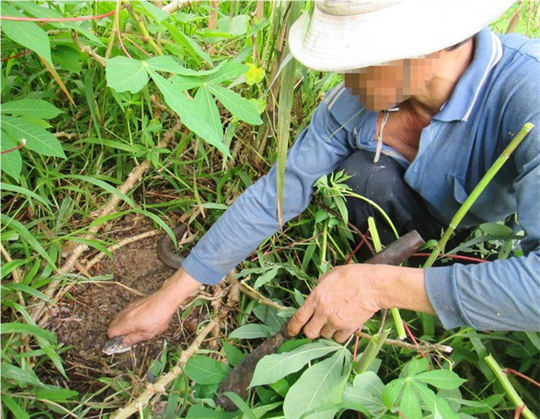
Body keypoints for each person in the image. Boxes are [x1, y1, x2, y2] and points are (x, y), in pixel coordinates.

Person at [108, 0, 540, 346]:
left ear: (435, 45)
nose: (343, 73)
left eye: (361, 57)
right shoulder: (355, 101)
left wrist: (378, 288)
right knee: (363, 176)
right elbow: (279, 192)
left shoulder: (527, 95)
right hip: (409, 217)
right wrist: (169, 298)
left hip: (484, 236)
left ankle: (426, 279)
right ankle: (409, 265)